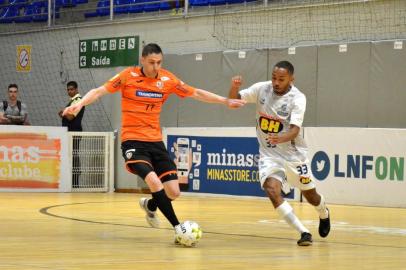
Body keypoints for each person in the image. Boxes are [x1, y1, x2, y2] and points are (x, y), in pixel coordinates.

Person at [63, 43, 245, 243]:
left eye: (159, 62)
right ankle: (179, 228)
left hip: (155, 142)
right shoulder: (127, 76)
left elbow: (196, 93)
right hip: (133, 141)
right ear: (142, 60)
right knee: (153, 181)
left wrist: (225, 101)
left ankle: (151, 205)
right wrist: (79, 104)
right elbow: (98, 91)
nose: (155, 67)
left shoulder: (167, 79)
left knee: (174, 192)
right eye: (151, 63)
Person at [228, 61, 330, 246]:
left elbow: (294, 131)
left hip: (293, 155)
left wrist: (280, 138)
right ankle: (304, 232)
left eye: (281, 79)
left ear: (291, 79)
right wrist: (234, 88)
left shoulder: (298, 98)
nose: (276, 82)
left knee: (311, 196)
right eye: (274, 77)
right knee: (271, 189)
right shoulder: (262, 89)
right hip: (270, 154)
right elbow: (233, 102)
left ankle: (323, 212)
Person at [59, 81, 85, 188]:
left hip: (74, 132)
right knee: (71, 156)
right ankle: (72, 183)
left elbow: (70, 117)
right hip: (70, 132)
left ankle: (75, 184)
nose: (70, 91)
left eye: (72, 89)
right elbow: (67, 115)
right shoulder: (72, 101)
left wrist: (63, 112)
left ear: (76, 89)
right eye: (68, 89)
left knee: (73, 156)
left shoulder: (78, 100)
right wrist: (64, 113)